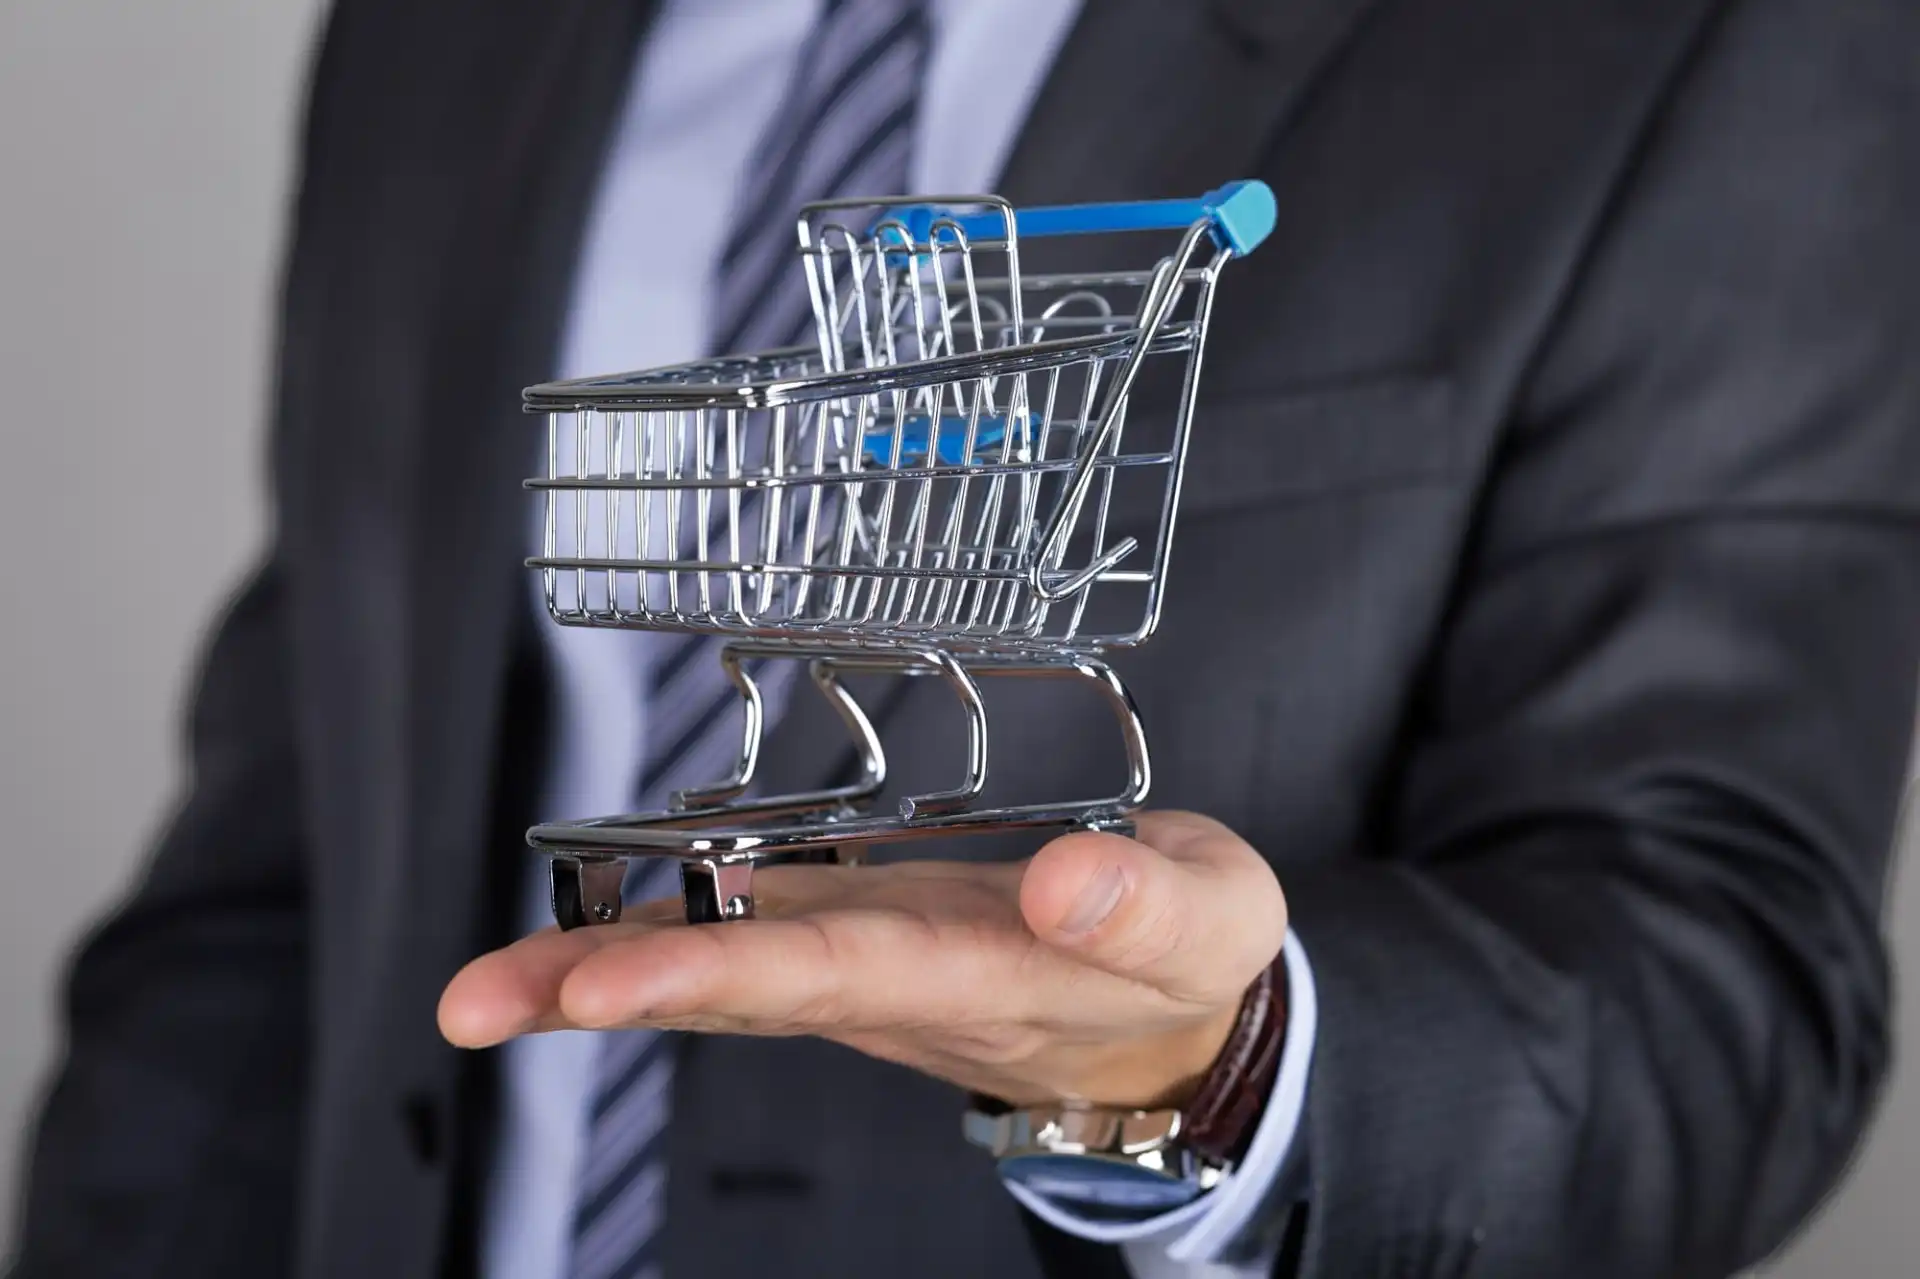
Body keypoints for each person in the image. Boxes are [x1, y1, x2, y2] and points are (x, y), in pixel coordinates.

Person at [12, 0, 1920, 1276]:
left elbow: (1723, 967)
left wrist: (1225, 1068)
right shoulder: (449, 38)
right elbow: (275, 894)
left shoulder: (1695, 41)